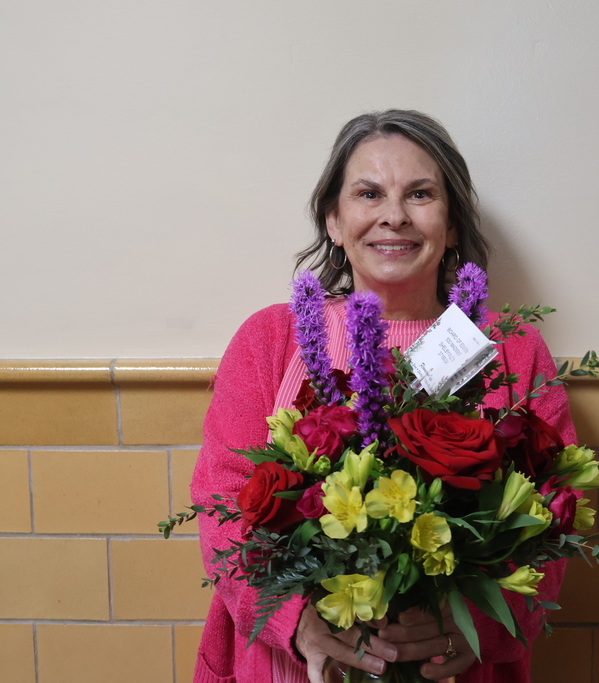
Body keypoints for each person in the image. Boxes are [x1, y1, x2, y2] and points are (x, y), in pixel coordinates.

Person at [190, 109, 576, 683]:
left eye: (420, 194)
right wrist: (297, 622)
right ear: (334, 220)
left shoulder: (511, 349)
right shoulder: (271, 339)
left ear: (451, 223)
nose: (394, 216)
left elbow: (556, 517)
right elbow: (220, 501)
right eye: (369, 194)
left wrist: (475, 623)